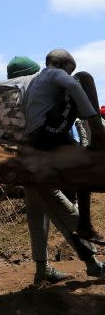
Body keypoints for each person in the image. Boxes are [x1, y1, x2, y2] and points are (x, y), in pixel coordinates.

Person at [0, 56, 104, 282]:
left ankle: (43, 268)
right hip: (41, 159)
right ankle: (93, 264)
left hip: (19, 162)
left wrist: (3, 143)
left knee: (36, 212)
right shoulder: (32, 90)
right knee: (61, 207)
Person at [23, 50, 105, 246]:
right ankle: (99, 133)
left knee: (84, 163)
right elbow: (72, 85)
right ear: (60, 64)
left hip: (44, 135)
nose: (68, 74)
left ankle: (84, 224)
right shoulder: (52, 73)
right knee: (83, 78)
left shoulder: (36, 82)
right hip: (47, 132)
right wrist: (95, 122)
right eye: (69, 70)